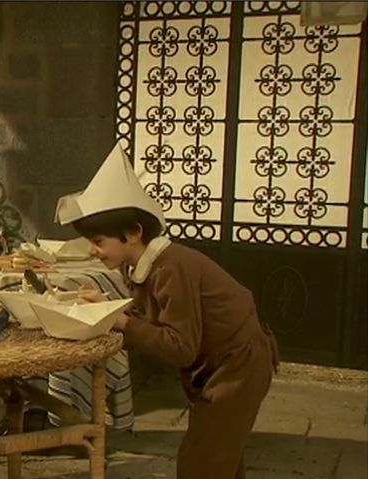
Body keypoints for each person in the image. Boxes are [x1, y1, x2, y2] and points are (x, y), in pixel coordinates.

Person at [55, 142, 279, 479]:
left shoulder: (170, 267)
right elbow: (155, 319)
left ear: (133, 233)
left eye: (98, 241)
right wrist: (110, 309)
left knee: (202, 462)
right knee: (220, 458)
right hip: (218, 366)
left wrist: (121, 322)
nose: (92, 250)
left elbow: (180, 347)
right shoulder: (141, 268)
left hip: (237, 366)